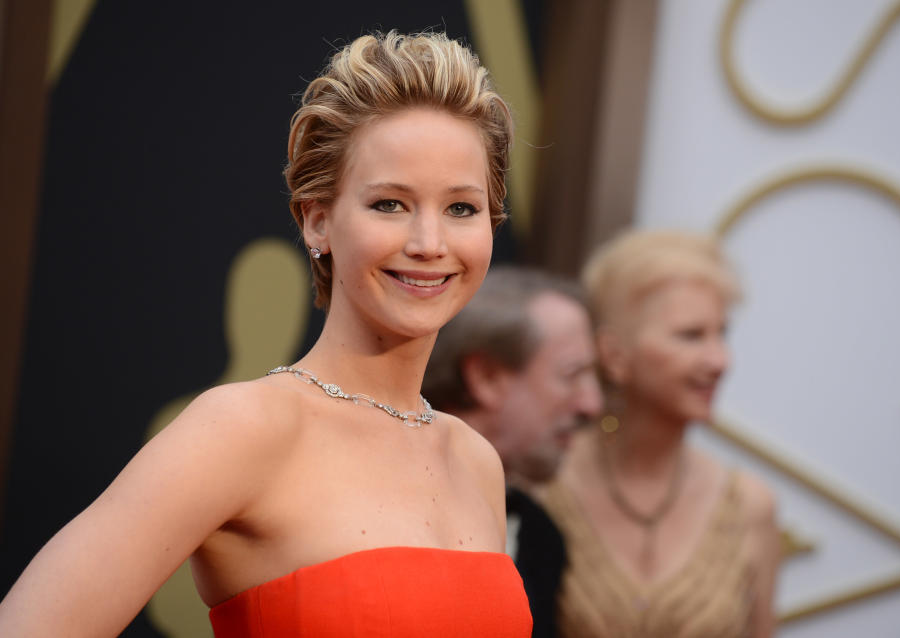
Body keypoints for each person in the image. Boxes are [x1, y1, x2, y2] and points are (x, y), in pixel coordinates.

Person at [0, 31, 533, 637]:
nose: (429, 244)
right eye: (389, 204)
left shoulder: (476, 460)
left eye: (461, 208)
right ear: (318, 220)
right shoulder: (244, 428)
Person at [538, 230, 780, 638]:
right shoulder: (545, 486)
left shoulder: (750, 507)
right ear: (614, 356)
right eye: (691, 335)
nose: (720, 360)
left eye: (723, 333)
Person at [422, 266, 603, 638]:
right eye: (572, 374)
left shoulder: (542, 537)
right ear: (486, 378)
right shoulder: (366, 507)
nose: (592, 404)